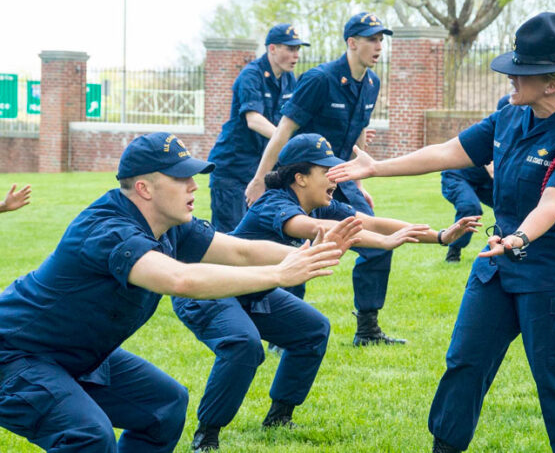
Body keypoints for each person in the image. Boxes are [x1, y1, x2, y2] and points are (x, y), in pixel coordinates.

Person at [328, 12, 555, 453]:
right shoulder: (511, 116)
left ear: (551, 84)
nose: (510, 78)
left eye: (520, 72)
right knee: (465, 362)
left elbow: (552, 204)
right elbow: (447, 152)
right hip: (498, 266)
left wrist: (519, 238)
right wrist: (377, 168)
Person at [0, 132, 345, 453]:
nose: (193, 186)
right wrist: (279, 274)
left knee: (164, 406)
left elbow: (240, 251)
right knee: (88, 435)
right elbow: (180, 280)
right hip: (15, 355)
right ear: (144, 188)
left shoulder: (171, 227)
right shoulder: (109, 230)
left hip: (74, 355)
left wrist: (305, 255)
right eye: (181, 178)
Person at [174, 133, 481, 451]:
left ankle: (279, 417)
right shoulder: (274, 203)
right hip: (211, 290)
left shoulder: (319, 205)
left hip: (253, 290)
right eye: (326, 170)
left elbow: (371, 223)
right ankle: (206, 435)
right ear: (300, 178)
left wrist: (441, 236)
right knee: (244, 345)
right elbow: (318, 230)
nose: (335, 176)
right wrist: (384, 243)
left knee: (312, 330)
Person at [244, 12, 401, 346]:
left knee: (375, 243)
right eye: (371, 40)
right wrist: (260, 180)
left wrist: (360, 184)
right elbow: (284, 130)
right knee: (296, 249)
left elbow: (358, 131)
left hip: (341, 176)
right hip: (306, 179)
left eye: (380, 40)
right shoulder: (319, 79)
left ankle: (368, 329)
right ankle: (282, 333)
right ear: (352, 43)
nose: (378, 46)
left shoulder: (372, 83)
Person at [207, 23, 309, 233]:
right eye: (290, 49)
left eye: (298, 49)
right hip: (233, 170)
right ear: (272, 48)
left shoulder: (289, 79)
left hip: (261, 168)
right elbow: (253, 119)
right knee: (229, 237)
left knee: (259, 236)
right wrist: (286, 140)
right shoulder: (251, 75)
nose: (296, 55)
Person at [439, 95, 508, 262]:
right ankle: (454, 251)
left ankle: (508, 247)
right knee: (470, 207)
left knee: (512, 207)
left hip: (483, 182)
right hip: (459, 176)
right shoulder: (494, 132)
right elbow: (494, 170)